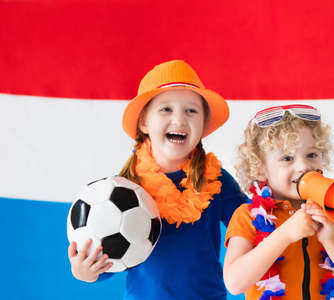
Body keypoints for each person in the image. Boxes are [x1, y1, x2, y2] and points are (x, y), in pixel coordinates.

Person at [67, 59, 248, 299]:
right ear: (144, 122)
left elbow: (250, 220)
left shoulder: (216, 181)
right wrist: (86, 271)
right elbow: (107, 255)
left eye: (191, 111)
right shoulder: (123, 189)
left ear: (203, 124)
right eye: (166, 109)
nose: (179, 120)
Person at [223, 104, 334, 300]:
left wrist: (330, 238)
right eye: (287, 158)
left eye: (311, 155)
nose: (303, 166)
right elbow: (234, 283)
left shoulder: (332, 216)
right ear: (260, 169)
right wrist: (285, 234)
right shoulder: (247, 215)